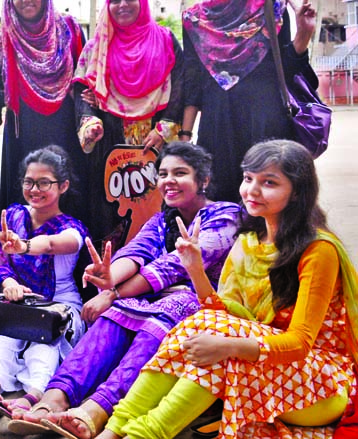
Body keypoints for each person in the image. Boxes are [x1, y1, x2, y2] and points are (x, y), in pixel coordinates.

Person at [101, 139, 358, 439]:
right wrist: (194, 268)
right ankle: (115, 432)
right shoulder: (249, 241)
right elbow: (222, 316)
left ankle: (134, 434)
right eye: (249, 179)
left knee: (220, 352)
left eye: (269, 182)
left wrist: (229, 346)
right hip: (264, 364)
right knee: (201, 328)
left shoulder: (317, 250)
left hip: (320, 384)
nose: (252, 190)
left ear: (298, 192)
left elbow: (300, 343)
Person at [8, 142, 240, 438]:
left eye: (180, 173)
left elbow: (176, 266)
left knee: (159, 313)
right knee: (113, 316)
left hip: (199, 301)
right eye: (163, 173)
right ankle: (55, 398)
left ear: (203, 180)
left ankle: (96, 409)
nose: (169, 180)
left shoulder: (225, 214)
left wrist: (114, 293)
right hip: (149, 297)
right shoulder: (161, 219)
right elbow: (136, 253)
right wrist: (108, 279)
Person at [181, 0, 318, 203]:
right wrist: (186, 136)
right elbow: (192, 81)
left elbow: (288, 70)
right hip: (217, 125)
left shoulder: (272, 9)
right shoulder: (195, 20)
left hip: (265, 121)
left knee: (270, 201)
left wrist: (304, 34)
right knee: (221, 203)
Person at [72, 0, 183, 252]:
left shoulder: (166, 40)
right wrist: (90, 123)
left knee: (161, 207)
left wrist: (165, 129)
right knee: (110, 215)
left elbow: (182, 85)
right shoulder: (98, 47)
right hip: (109, 146)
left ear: (142, 1)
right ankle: (108, 279)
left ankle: (159, 275)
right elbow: (82, 90)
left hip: (156, 144)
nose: (122, 5)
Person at [0, 145, 88, 419]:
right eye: (29, 182)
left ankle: (33, 396)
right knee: (3, 337)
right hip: (17, 302)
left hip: (59, 306)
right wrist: (8, 284)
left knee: (45, 342)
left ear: (62, 186)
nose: (35, 189)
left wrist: (23, 246)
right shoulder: (12, 217)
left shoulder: (72, 228)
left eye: (43, 183)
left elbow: (51, 244)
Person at [0, 0, 87, 225]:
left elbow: (85, 77)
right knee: (25, 198)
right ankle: (23, 254)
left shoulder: (69, 31)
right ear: (10, 0)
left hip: (65, 127)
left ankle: (71, 252)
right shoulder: (2, 40)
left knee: (67, 188)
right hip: (23, 132)